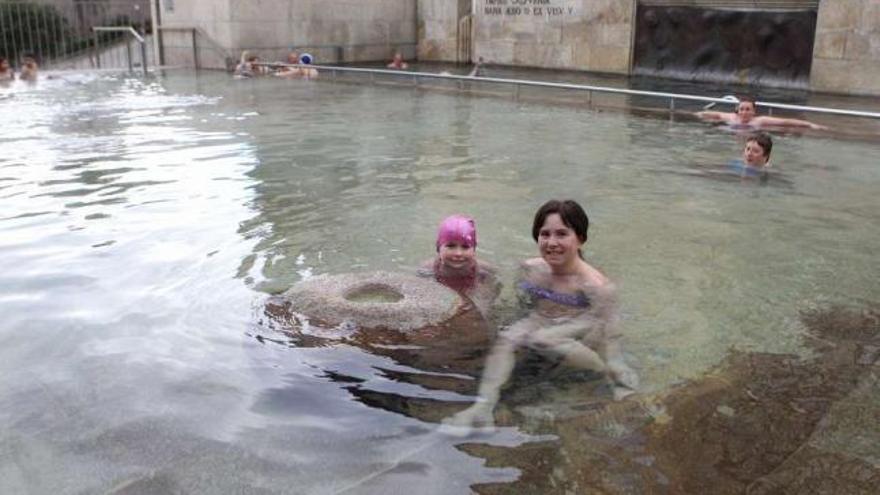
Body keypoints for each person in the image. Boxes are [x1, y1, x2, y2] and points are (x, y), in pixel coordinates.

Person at [442, 200, 638, 431]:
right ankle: (483, 407)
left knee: (542, 339)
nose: (551, 242)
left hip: (583, 328)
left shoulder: (596, 286)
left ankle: (600, 373)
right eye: (545, 234)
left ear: (580, 238)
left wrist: (616, 368)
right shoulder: (532, 270)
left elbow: (610, 332)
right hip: (542, 320)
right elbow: (522, 304)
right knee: (507, 338)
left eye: (562, 234)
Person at [419, 215, 499, 317]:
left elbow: (486, 305)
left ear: (474, 249)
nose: (458, 253)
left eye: (465, 247)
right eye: (451, 246)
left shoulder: (484, 271)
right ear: (438, 247)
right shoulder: (427, 270)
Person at [696, 96, 827, 130]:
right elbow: (715, 115)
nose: (744, 112)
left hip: (752, 136)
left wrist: (810, 125)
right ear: (737, 110)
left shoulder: (759, 121)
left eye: (748, 109)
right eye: (742, 109)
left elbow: (785, 121)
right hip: (733, 132)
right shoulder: (732, 117)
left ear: (754, 112)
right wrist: (698, 114)